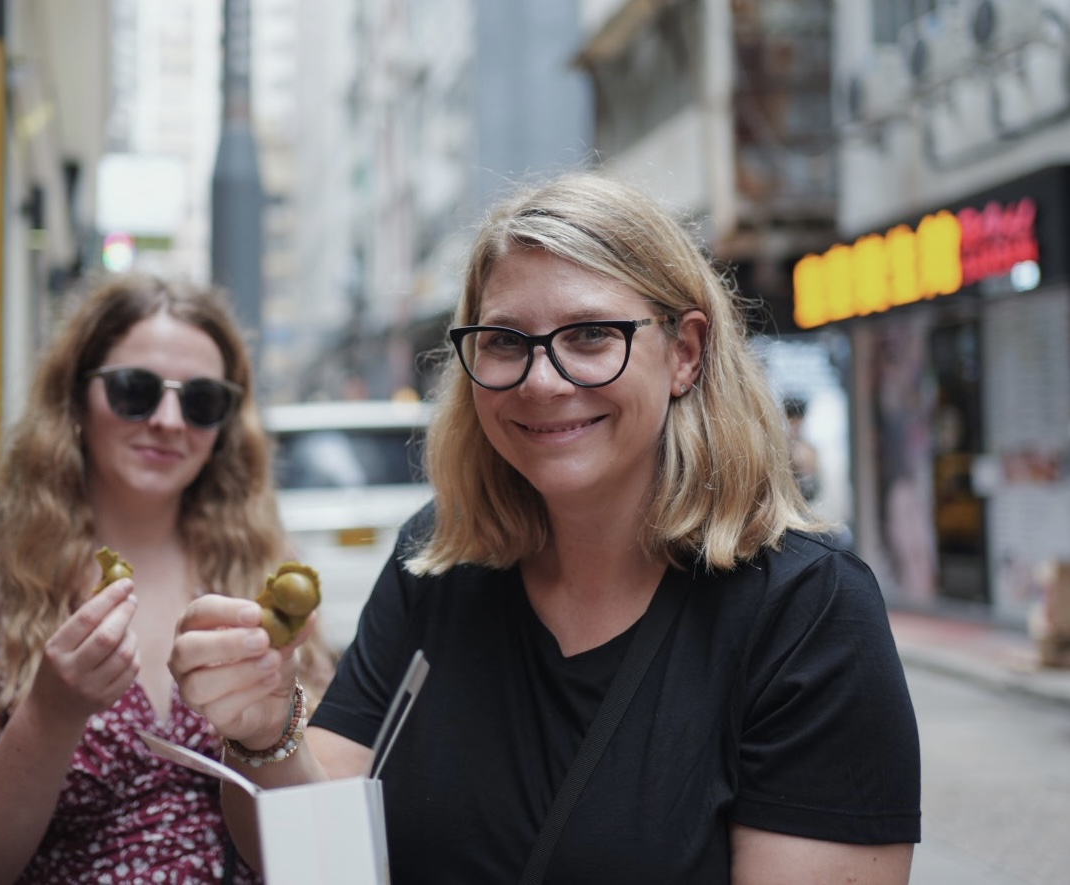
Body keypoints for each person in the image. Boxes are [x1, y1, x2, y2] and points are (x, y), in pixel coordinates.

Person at [170, 173, 921, 883]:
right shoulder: (435, 560)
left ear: (684, 352)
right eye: (504, 341)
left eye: (590, 334)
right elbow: (312, 858)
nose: (541, 380)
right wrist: (266, 733)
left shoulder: (808, 609)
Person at [0, 274, 329, 884]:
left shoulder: (264, 587)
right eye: (136, 391)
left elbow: (316, 852)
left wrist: (266, 735)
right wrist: (50, 713)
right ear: (75, 400)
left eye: (203, 401)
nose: (168, 420)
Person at [783, 395, 822, 503]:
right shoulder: (780, 446)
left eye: (798, 420)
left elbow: (815, 488)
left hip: (805, 504)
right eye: (792, 420)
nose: (796, 425)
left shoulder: (810, 449)